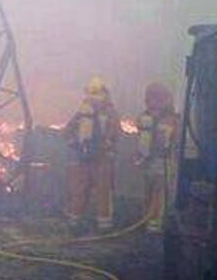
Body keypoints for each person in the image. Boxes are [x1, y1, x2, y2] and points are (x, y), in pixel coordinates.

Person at [63, 77, 121, 230]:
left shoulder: (87, 112)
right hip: (96, 159)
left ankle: (75, 223)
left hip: (89, 158)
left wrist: (76, 146)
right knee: (99, 192)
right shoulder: (102, 112)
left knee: (83, 191)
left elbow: (67, 132)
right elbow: (114, 134)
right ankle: (102, 225)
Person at [135, 82, 179, 231]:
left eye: (157, 98)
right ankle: (147, 220)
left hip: (163, 162)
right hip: (149, 161)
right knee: (149, 192)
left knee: (159, 194)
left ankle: (154, 224)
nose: (153, 102)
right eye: (151, 98)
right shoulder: (145, 117)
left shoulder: (171, 119)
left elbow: (173, 139)